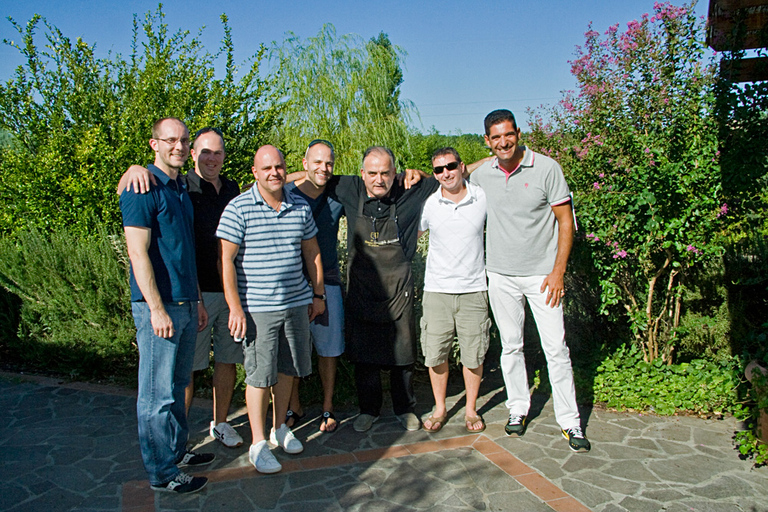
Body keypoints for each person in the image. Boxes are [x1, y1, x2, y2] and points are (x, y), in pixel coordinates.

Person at [469, 109, 590, 452]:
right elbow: (459, 175)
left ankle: (570, 422)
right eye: (496, 138)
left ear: (518, 133)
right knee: (510, 346)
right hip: (501, 275)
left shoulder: (547, 168)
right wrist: (483, 160)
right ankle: (518, 409)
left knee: (556, 349)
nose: (503, 142)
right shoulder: (484, 175)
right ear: (487, 141)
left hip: (542, 276)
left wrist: (558, 272)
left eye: (508, 135)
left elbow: (566, 223)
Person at [119, 128, 245, 449]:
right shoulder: (178, 186)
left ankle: (219, 424)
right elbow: (133, 194)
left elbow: (273, 180)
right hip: (190, 293)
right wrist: (132, 170)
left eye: (217, 152)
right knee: (184, 373)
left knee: (225, 362)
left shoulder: (231, 189)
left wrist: (308, 171)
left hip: (224, 291)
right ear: (193, 155)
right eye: (204, 152)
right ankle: (177, 442)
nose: (211, 158)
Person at [119, 117, 215, 494]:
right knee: (156, 394)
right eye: (169, 139)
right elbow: (137, 253)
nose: (177, 145)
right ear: (154, 144)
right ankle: (161, 473)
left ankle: (175, 452)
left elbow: (182, 251)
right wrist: (156, 309)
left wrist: (195, 301)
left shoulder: (177, 187)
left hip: (186, 303)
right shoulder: (141, 187)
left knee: (178, 385)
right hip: (158, 306)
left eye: (183, 140)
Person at [217, 145, 325, 474]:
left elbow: (312, 252)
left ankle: (280, 429)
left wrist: (317, 293)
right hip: (258, 309)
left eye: (279, 167)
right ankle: (258, 443)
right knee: (259, 376)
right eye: (266, 168)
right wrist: (235, 308)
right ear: (255, 172)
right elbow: (226, 261)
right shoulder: (238, 209)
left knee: (289, 369)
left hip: (296, 304)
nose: (274, 173)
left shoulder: (300, 207)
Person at [321, 146, 440, 432]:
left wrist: (419, 173)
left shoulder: (412, 190)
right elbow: (314, 175)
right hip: (362, 288)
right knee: (365, 356)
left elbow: (451, 174)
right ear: (362, 174)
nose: (379, 179)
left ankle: (405, 408)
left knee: (403, 353)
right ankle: (368, 410)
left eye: (385, 173)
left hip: (398, 288)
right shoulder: (349, 188)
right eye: (372, 173)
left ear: (395, 173)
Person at [417, 147, 490, 434]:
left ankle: (470, 409)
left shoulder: (481, 196)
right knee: (436, 354)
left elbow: (492, 162)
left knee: (474, 354)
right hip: (437, 290)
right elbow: (415, 233)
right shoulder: (429, 204)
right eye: (438, 169)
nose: (445, 173)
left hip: (474, 289)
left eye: (451, 166)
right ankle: (440, 407)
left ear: (462, 167)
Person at [283, 139, 345, 433]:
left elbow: (377, 178)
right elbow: (256, 183)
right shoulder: (285, 194)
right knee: (293, 350)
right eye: (317, 162)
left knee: (328, 351)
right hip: (292, 286)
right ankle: (293, 406)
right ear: (304, 163)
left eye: (329, 163)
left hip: (328, 283)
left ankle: (328, 406)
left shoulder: (338, 195)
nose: (324, 168)